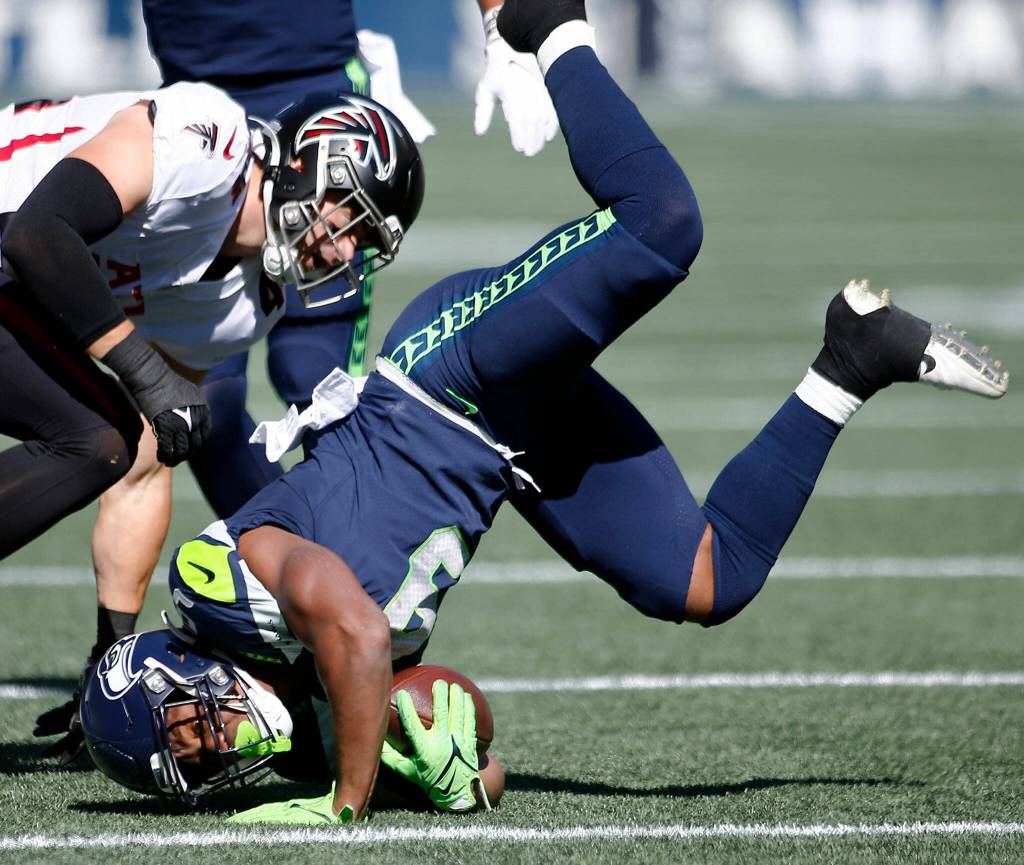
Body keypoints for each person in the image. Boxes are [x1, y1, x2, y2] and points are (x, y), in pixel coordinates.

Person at [85, 0, 1009, 824]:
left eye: (186, 724)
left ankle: (548, 23)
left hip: (444, 374)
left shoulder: (216, 582)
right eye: (198, 755)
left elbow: (360, 631)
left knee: (660, 223)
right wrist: (448, 753)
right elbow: (472, 747)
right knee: (706, 578)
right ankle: (854, 357)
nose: (211, 737)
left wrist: (347, 802)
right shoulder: (309, 720)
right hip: (496, 446)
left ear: (174, 667)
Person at [34, 0, 560, 766]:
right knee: (196, 409)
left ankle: (352, 624)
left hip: (315, 110)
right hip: (205, 112)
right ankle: (278, 638)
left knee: (311, 378)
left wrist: (503, 24)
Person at [0, 85, 424, 755]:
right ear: (309, 163)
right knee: (93, 434)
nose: (345, 252)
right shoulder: (211, 142)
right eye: (351, 217)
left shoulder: (249, 304)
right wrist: (141, 367)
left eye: (365, 241)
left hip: (12, 287)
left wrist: (108, 663)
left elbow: (142, 456)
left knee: (106, 439)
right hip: (9, 241)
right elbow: (36, 234)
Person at [80, 626, 506, 817]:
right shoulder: (301, 752)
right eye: (201, 766)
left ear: (182, 664)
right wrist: (451, 776)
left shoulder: (254, 617)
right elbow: (489, 777)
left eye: (198, 728)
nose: (221, 748)